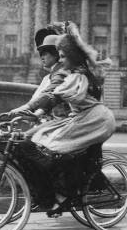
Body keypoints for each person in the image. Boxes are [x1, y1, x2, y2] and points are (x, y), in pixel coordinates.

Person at [17, 22, 116, 217]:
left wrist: (30, 109)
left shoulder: (77, 77)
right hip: (86, 118)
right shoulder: (77, 74)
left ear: (71, 57)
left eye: (62, 56)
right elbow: (54, 96)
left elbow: (54, 96)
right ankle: (61, 192)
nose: (60, 61)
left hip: (93, 120)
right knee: (50, 146)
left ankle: (63, 194)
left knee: (54, 148)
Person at [9, 27, 69, 119]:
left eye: (45, 53)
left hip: (65, 121)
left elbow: (50, 94)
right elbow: (52, 98)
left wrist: (27, 107)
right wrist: (36, 113)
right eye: (41, 54)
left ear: (55, 54)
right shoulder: (52, 75)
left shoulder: (61, 72)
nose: (42, 57)